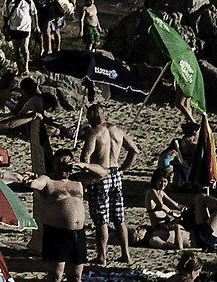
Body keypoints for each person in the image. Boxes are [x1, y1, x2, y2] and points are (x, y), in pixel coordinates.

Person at [20, 150, 103, 282]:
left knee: (76, 277)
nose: (63, 167)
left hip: (78, 233)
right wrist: (29, 180)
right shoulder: (48, 180)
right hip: (56, 234)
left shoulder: (78, 180)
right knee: (55, 276)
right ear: (53, 164)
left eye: (67, 164)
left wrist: (83, 165)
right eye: (60, 164)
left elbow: (103, 173)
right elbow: (35, 184)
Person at [81, 104, 137, 265]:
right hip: (115, 174)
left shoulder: (95, 132)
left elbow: (85, 157)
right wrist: (123, 169)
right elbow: (134, 150)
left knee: (101, 219)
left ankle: (102, 256)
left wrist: (86, 177)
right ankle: (126, 254)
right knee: (119, 218)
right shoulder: (117, 130)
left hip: (100, 174)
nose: (86, 118)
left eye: (87, 114)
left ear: (93, 114)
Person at [5, 0, 38, 72]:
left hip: (25, 28)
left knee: (24, 48)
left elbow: (34, 12)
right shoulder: (8, 1)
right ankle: (19, 67)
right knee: (16, 49)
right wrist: (6, 26)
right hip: (13, 28)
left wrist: (36, 25)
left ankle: (26, 66)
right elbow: (5, 14)